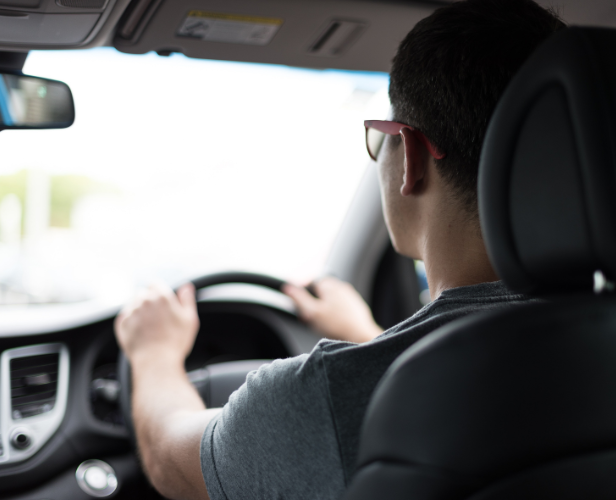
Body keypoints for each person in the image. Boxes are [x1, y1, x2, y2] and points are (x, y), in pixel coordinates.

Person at [114, 1, 565, 499]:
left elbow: (169, 458)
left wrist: (153, 353)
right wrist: (366, 335)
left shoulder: (325, 395)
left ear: (410, 156)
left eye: (382, 138)